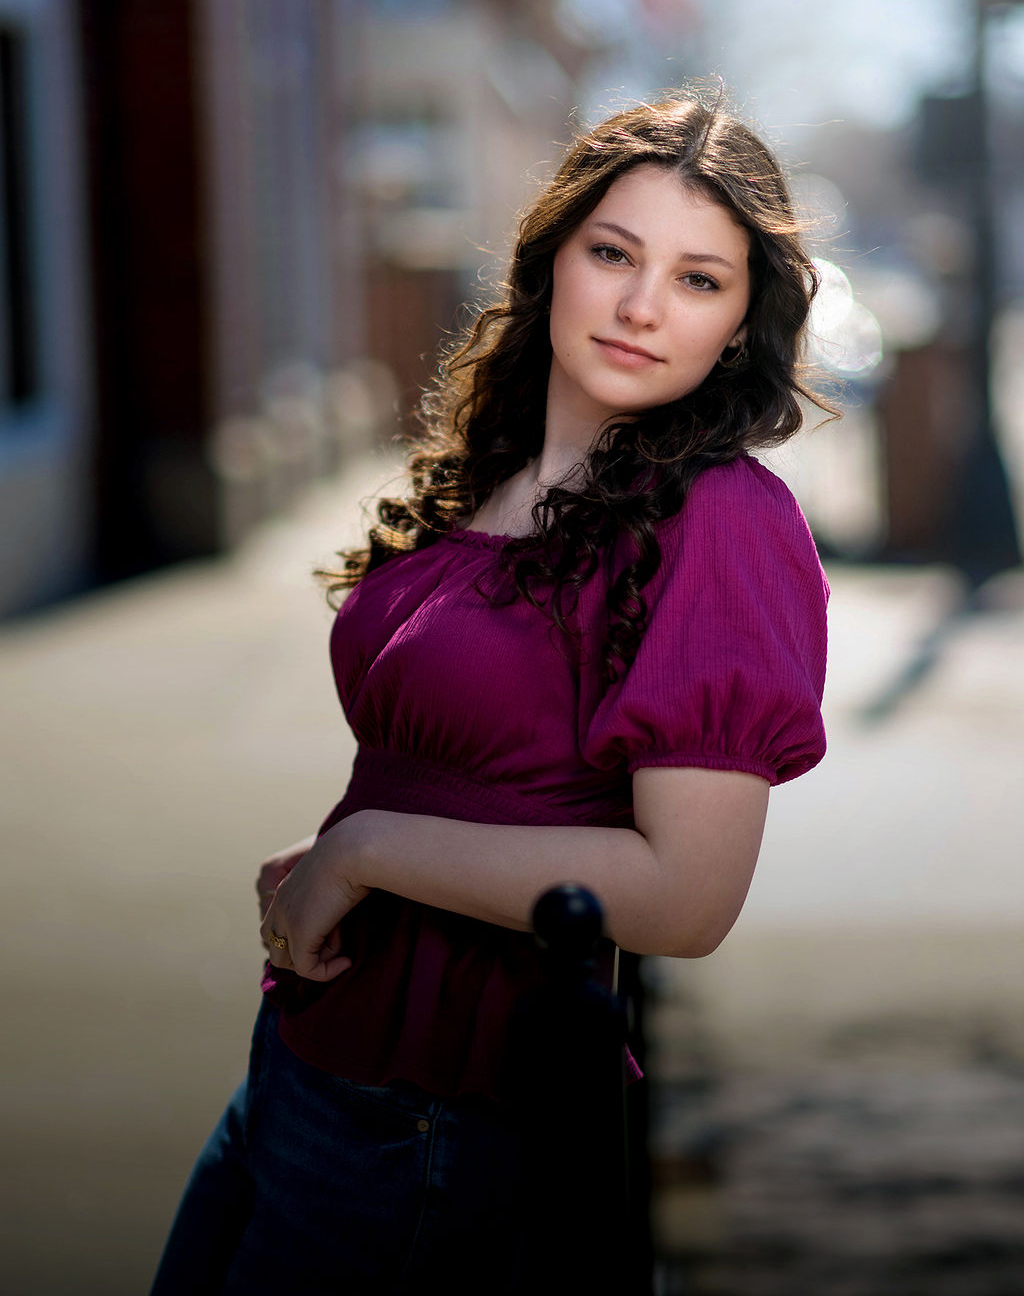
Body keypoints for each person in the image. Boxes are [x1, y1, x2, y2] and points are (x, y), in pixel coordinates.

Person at [150, 90, 834, 1295]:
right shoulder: (497, 475)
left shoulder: (720, 521)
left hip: (436, 1123)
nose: (638, 307)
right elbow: (490, 774)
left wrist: (365, 851)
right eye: (613, 253)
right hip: (306, 1062)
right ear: (552, 257)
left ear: (741, 322)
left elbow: (686, 899)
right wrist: (339, 847)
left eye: (697, 279)